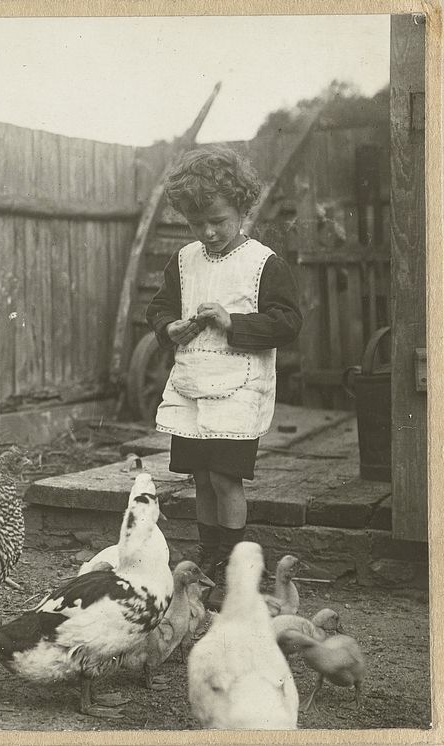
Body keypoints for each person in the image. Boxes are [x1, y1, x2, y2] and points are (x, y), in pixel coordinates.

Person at [145, 145, 303, 611]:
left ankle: (235, 565)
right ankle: (209, 556)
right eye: (197, 224)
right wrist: (168, 326)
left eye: (218, 219)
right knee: (199, 476)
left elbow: (288, 323)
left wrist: (233, 322)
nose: (208, 232)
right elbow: (160, 307)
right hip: (193, 383)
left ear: (242, 207)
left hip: (238, 387)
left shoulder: (263, 263)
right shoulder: (183, 260)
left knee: (224, 478)